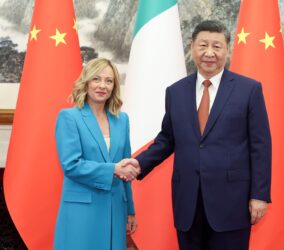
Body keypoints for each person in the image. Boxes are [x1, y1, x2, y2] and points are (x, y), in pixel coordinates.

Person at [130, 20, 272, 249]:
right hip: (188, 201)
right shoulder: (175, 92)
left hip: (232, 202)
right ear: (192, 47)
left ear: (227, 49)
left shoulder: (249, 90)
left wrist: (259, 195)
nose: (209, 53)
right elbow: (167, 140)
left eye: (217, 46)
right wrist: (138, 164)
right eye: (203, 45)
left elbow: (261, 146)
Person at [54, 58, 140, 250]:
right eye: (96, 79)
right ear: (86, 82)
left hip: (116, 208)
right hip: (82, 210)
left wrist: (130, 210)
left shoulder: (122, 120)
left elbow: (125, 169)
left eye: (109, 81)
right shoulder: (69, 117)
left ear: (114, 86)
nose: (102, 85)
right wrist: (113, 169)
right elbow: (71, 165)